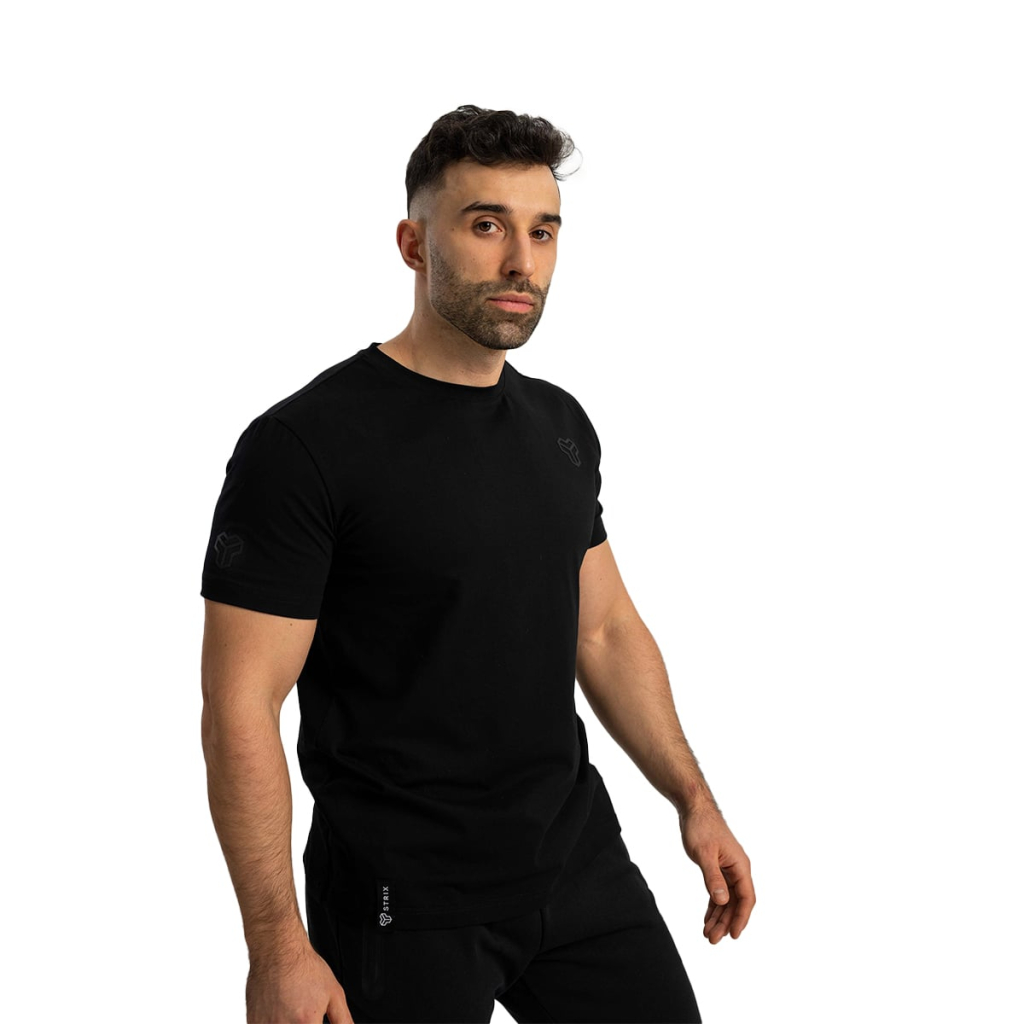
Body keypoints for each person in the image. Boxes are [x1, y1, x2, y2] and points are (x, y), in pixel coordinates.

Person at [200, 104, 754, 1024]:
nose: (521, 262)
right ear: (414, 244)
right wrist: (277, 948)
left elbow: (606, 631)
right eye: (487, 225)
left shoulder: (559, 427)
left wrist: (694, 799)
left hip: (575, 868)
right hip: (399, 904)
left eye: (543, 231)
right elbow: (240, 704)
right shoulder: (304, 447)